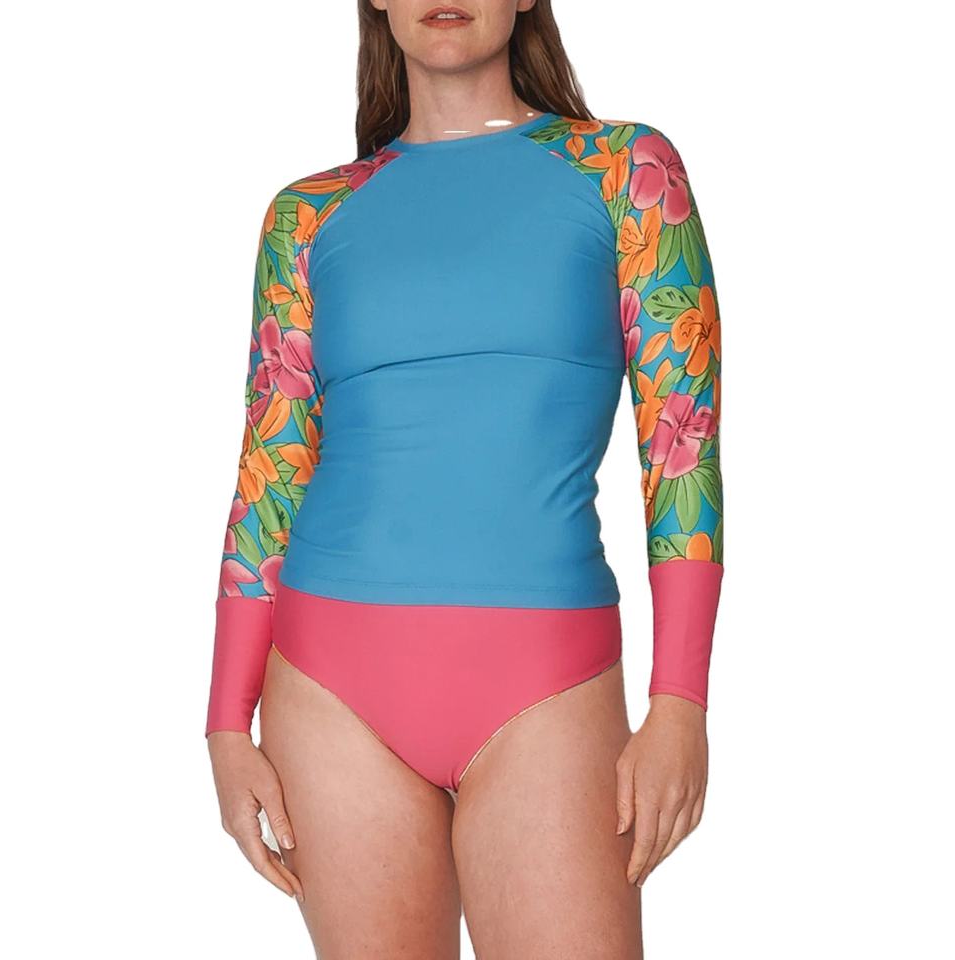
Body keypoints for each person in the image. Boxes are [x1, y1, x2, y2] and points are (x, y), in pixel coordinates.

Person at [206, 1, 724, 956]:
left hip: (548, 685)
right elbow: (270, 470)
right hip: (329, 687)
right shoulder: (306, 216)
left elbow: (679, 446)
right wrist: (225, 724)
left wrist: (680, 699)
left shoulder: (626, 172)